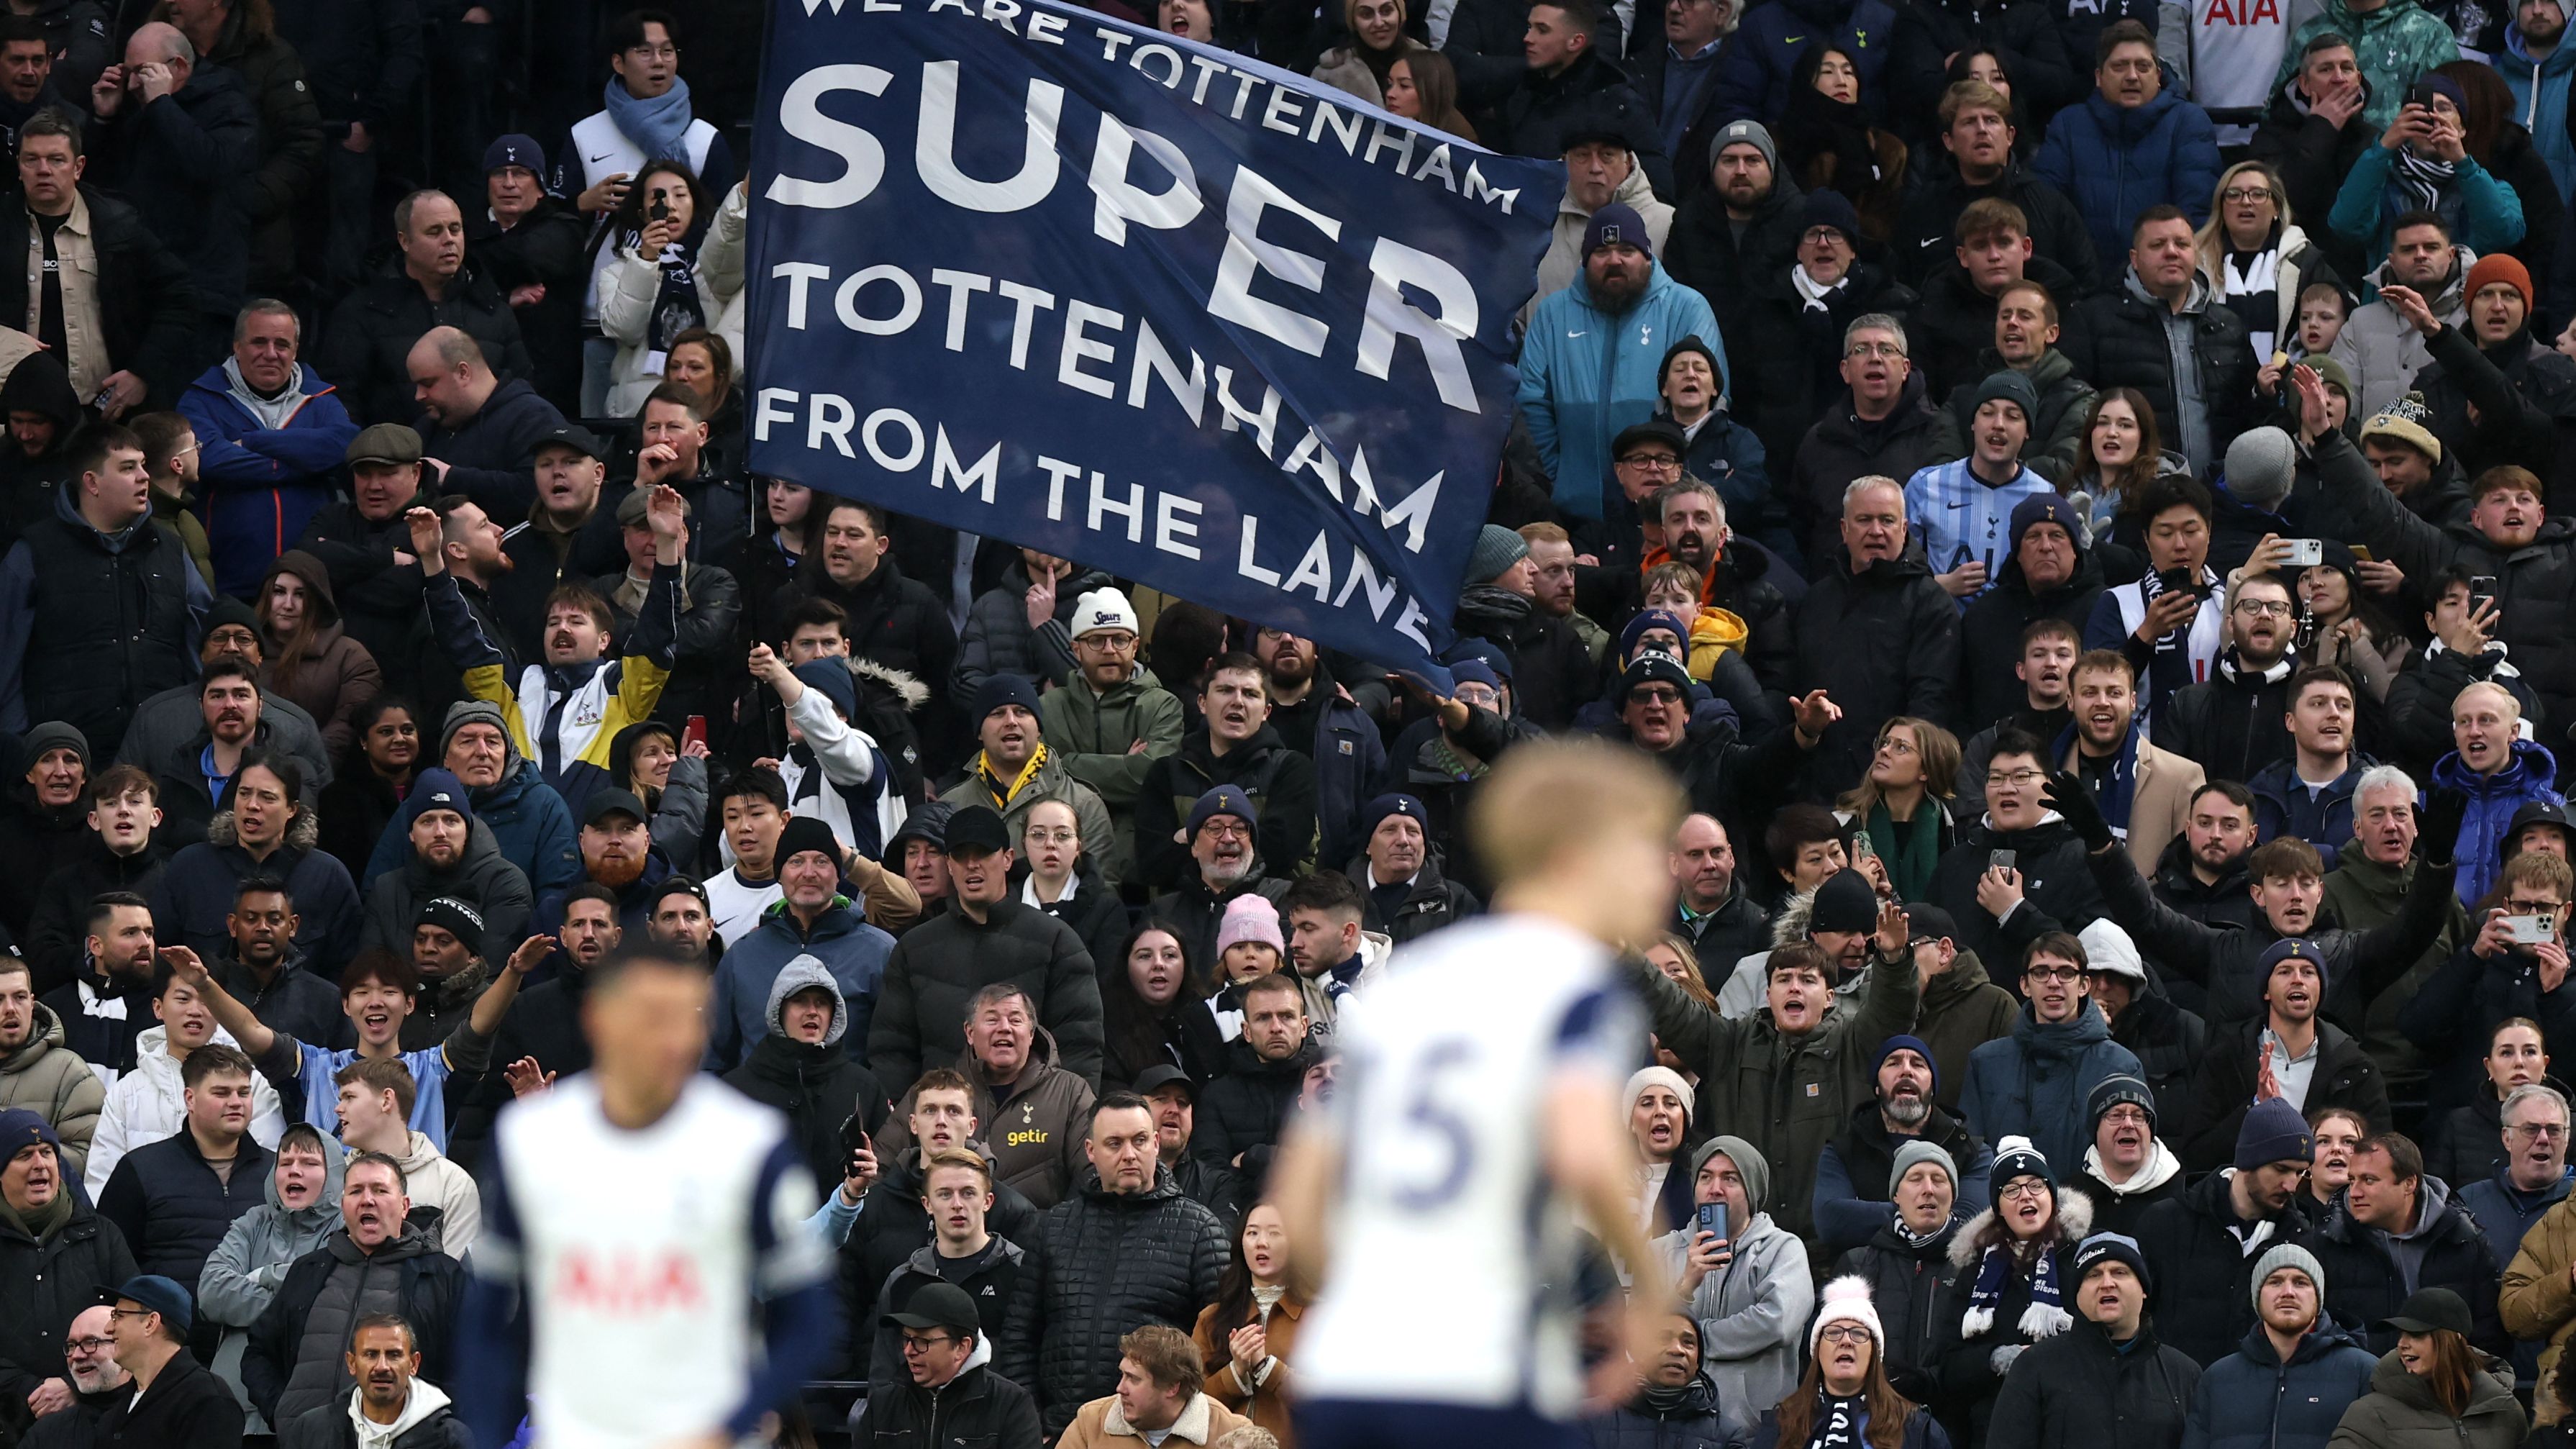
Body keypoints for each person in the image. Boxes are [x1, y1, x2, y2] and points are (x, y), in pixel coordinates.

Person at [1277, 740, 1681, 1444]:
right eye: (1647, 850)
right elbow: (1584, 1147)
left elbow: (1300, 1192)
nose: (1663, 877)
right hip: (1484, 1376)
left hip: (1345, 1367)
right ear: (1575, 857)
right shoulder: (1575, 983)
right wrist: (1649, 1294)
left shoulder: (1405, 981)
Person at [457, 942, 832, 1445]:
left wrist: (728, 1427)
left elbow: (808, 1321)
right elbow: (486, 1322)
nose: (675, 1040)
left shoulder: (750, 1144)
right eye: (654, 1017)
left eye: (691, 1018)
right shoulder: (531, 1140)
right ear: (598, 1018)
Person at [1002, 1094, 1230, 1435]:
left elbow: (1219, 1346)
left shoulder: (1200, 1229)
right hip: (1061, 1432)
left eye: (1139, 1141)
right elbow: (1019, 1335)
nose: (1129, 1154)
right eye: (1114, 1143)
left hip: (1158, 1435)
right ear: (1091, 1152)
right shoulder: (1054, 1226)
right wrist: (1034, 1425)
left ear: (1155, 1143)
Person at [0, 424, 208, 758]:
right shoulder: (34, 552)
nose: (144, 477)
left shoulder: (170, 549)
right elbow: (6, 659)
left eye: (143, 465)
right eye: (128, 468)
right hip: (66, 760)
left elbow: (200, 647)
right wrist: (19, 744)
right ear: (92, 482)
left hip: (162, 754)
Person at [1517, 203, 1721, 525]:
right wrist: (1560, 479)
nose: (1615, 261)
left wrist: (1677, 486)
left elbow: (1710, 404)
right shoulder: (1553, 314)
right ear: (1585, 261)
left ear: (1648, 256)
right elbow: (1531, 403)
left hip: (1665, 516)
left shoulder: (1686, 307)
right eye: (1602, 251)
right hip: (1574, 515)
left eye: (1627, 249)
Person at [240, 1150, 465, 1429]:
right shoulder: (308, 1270)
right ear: (343, 1205)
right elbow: (259, 1352)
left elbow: (473, 1367)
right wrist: (280, 1410)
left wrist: (430, 1430)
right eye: (356, 1191)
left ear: (405, 1206)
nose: (367, 1200)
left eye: (380, 1190)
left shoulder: (442, 1276)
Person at [93, 1042, 276, 1351]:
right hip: (168, 1348)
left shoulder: (278, 1172)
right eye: (221, 1093)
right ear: (189, 1098)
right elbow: (109, 1264)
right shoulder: (141, 1169)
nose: (236, 1102)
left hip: (259, 1344)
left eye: (243, 1093)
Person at [1790, 477, 1962, 796]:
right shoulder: (1816, 601)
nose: (1876, 531)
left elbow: (1930, 702)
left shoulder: (1930, 602)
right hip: (1816, 783)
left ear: (1905, 528)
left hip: (1891, 789)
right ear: (1844, 529)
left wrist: (1895, 772)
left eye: (1887, 520)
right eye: (1864, 520)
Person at [178, 302, 360, 597]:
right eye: (259, 342)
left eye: (282, 344)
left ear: (296, 350)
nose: (271, 354)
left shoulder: (322, 399)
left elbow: (344, 448)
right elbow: (208, 459)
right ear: (237, 346)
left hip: (312, 585)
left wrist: (253, 442)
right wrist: (303, 463)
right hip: (230, 581)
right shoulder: (200, 399)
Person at [2065, 208, 2257, 478]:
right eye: (2157, 245)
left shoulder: (2228, 325)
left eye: (2181, 244)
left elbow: (2249, 415)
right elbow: (2076, 414)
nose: (2171, 252)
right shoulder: (2094, 321)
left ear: (2195, 253)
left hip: (2220, 493)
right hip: (2132, 493)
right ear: (2135, 259)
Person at [319, 196, 534, 434]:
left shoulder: (494, 310)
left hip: (479, 464)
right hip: (393, 463)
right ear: (405, 241)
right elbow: (341, 398)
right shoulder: (363, 310)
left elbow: (521, 394)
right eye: (434, 232)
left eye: (455, 229)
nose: (449, 240)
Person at [2135, 1097, 2321, 1367]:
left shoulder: (2301, 1239)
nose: (2291, 1185)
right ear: (2248, 1160)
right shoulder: (2165, 1223)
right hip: (2175, 1394)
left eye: (2300, 1173)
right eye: (2281, 1170)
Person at [85, 960, 287, 1194]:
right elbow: (103, 1186)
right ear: (158, 1008)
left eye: (206, 1000)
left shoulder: (251, 1084)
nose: (195, 1010)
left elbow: (271, 1172)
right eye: (183, 999)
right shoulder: (126, 1092)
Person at [195, 1124, 345, 1433]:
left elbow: (332, 1295)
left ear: (334, 1174)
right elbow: (212, 1293)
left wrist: (264, 1275)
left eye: (309, 1163)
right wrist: (293, 1304)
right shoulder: (254, 1221)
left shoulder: (345, 1228)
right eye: (285, 1163)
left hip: (304, 1411)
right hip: (231, 1405)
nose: (294, 1172)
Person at [2036, 23, 2223, 271]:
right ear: (2099, 77)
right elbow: (2047, 212)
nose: (2132, 76)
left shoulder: (2188, 123)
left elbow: (2197, 216)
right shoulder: (2069, 125)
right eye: (2119, 66)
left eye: (2143, 67)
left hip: (2162, 280)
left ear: (2158, 75)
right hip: (2084, 282)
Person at [1988, 1231, 2202, 1446]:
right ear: (2078, 1294)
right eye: (2094, 1275)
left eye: (2120, 1272)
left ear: (2143, 1289)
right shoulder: (2034, 1366)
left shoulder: (2183, 1373)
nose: (2107, 1283)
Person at [1962, 933, 2147, 1174]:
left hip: (2092, 1208)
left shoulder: (2121, 1066)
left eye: (2066, 973)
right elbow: (1973, 1159)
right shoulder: (1986, 1063)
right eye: (2040, 973)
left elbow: (2133, 1159)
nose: (2053, 982)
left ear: (2084, 986)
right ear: (2025, 985)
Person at [0, 1108, 135, 1437]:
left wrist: (74, 1382)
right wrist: (31, 1390)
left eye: (47, 1153)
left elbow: (137, 1320)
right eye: (24, 1155)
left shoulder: (101, 1235)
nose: (40, 1164)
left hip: (95, 1419)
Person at [1894, 80, 2101, 293]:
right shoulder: (1922, 210)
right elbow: (1904, 287)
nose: (1982, 130)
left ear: (2010, 136)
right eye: (1969, 122)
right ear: (1949, 141)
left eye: (1991, 120)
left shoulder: (2049, 206)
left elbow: (2086, 284)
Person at [2313, 1133, 2507, 1358]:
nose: (2354, 1192)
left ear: (2409, 1184)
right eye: (2352, 1180)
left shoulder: (2466, 1243)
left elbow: (2489, 1339)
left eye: (2369, 1180)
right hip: (2361, 1387)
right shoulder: (2326, 1246)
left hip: (2445, 1388)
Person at [2180, 1243, 2378, 1449]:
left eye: (2301, 1282)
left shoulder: (2362, 1372)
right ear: (2257, 1296)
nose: (2288, 1292)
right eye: (2275, 1282)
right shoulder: (2218, 1379)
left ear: (2318, 1297)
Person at [1790, 325, 1942, 571]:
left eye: (1886, 349)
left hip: (1914, 594)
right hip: (1835, 593)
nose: (1875, 358)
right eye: (1861, 350)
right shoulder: (1819, 440)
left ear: (1905, 368)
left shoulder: (1937, 433)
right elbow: (1801, 522)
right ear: (1845, 371)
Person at [1742, 1275, 1946, 1449]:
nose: (1846, 1341)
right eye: (1834, 1333)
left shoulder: (1916, 1427)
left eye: (1858, 1334)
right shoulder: (1782, 1424)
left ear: (1875, 1353)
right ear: (1817, 1350)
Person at [1903, 371, 2056, 601]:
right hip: (1939, 629)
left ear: (2027, 432)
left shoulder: (2044, 495)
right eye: (1987, 413)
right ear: (1973, 423)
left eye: (2013, 416)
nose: (1998, 424)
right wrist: (1938, 585)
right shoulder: (1925, 486)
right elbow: (1895, 574)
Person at [2059, 650, 2208, 878]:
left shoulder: (2182, 777)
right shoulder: (2046, 772)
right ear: (2070, 700)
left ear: (2132, 701)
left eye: (2114, 693)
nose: (2102, 702)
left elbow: (2191, 874)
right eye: (2089, 693)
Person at [852, 1278, 1044, 1448]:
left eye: (922, 1342)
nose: (908, 1351)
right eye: (906, 1338)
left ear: (962, 1347)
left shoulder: (1011, 1404)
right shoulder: (883, 1404)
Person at [2154, 573, 2308, 786]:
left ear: (2293, 628)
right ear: (2231, 624)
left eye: (2276, 608)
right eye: (2251, 606)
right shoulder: (2190, 702)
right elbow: (2164, 786)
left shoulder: (2313, 703)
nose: (2264, 614)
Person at [2329, 1288, 2523, 1449]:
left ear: (2453, 1340)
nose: (2402, 1344)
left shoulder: (2506, 1409)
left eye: (2416, 1334)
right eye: (2401, 1335)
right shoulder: (2370, 1414)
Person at [1190, 1202, 1305, 1442]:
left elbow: (1329, 1400)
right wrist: (1236, 1371)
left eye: (1274, 1233)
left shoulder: (1318, 1318)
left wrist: (1267, 1368)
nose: (1261, 1242)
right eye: (1252, 1233)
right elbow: (1189, 1405)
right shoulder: (1211, 1318)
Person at [275, 1312, 473, 1449]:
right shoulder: (311, 1430)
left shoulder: (451, 1439)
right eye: (370, 1354)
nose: (382, 1367)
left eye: (394, 1355)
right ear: (352, 1363)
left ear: (414, 1363)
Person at [93, 1272, 245, 1448]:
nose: (108, 1328)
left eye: (118, 1316)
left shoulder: (208, 1400)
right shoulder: (116, 1412)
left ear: (151, 1323)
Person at [0, 958, 104, 1173]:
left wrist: (17, 1139)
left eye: (19, 997)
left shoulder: (72, 1073)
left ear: (32, 1002)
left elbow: (92, 1163)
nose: (10, 1009)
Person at [2073, 1072, 2187, 1237]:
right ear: (2095, 1129)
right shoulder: (2069, 1197)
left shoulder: (2182, 1196)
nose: (2128, 1124)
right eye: (2116, 1115)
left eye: (2138, 1116)